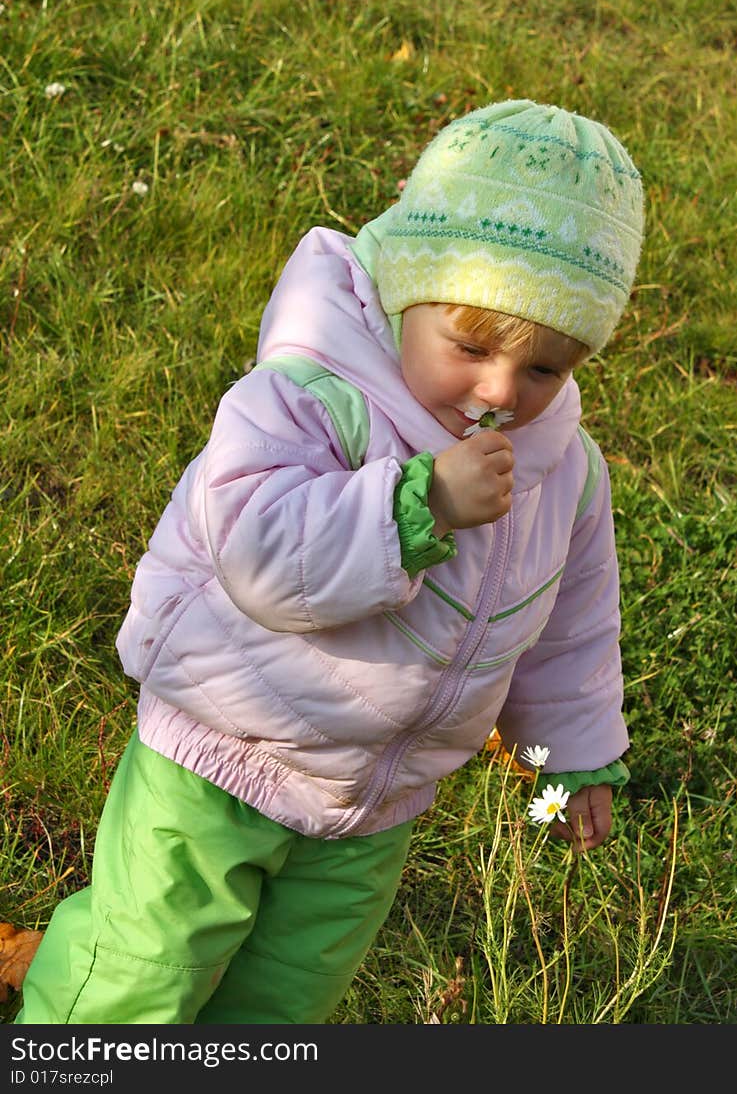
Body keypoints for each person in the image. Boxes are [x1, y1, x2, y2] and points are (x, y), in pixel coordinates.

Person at [16, 98, 644, 1025]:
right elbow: (260, 556)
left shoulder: (565, 470)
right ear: (401, 292)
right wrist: (417, 503)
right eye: (470, 346)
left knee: (284, 997)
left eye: (546, 368)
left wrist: (579, 754)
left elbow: (570, 623)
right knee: (146, 964)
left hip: (375, 799)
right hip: (224, 747)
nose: (502, 391)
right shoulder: (308, 397)